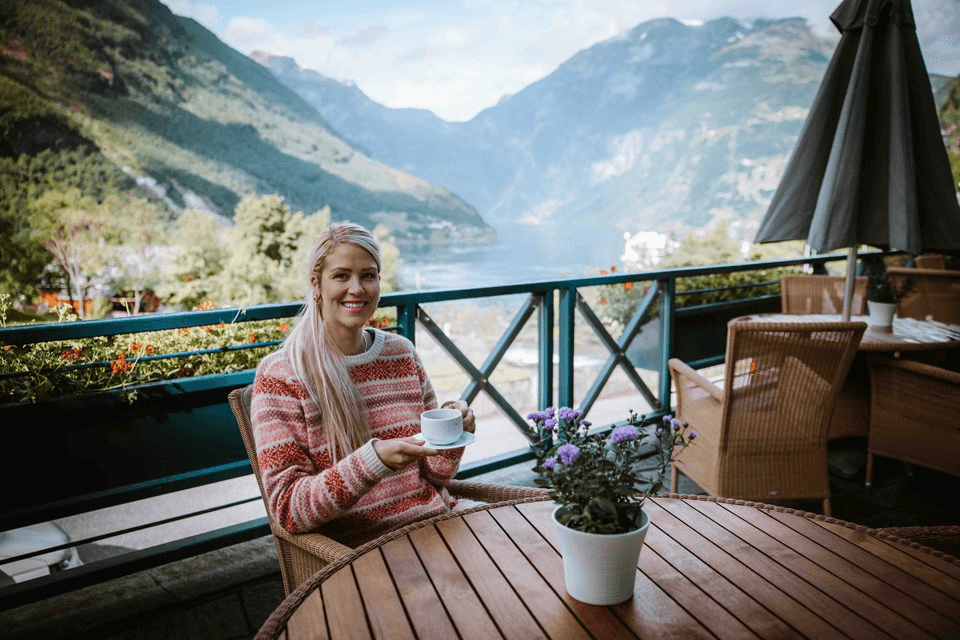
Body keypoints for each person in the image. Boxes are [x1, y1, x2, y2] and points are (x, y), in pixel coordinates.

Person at [251, 223, 476, 544]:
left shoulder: (401, 353)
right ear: (316, 285)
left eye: (368, 276)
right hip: (362, 551)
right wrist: (373, 462)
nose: (356, 288)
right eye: (341, 276)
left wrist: (452, 436)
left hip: (437, 526)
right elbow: (288, 509)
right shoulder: (281, 376)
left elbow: (436, 475)